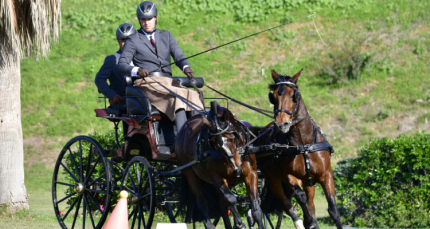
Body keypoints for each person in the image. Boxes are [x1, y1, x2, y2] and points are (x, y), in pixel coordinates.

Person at [117, 1, 203, 131]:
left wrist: (186, 68)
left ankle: (199, 138)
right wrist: (137, 70)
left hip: (168, 81)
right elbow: (122, 64)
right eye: (143, 19)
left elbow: (179, 56)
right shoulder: (133, 39)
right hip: (147, 82)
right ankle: (182, 139)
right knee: (178, 95)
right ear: (139, 20)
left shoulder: (166, 35)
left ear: (155, 18)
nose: (147, 22)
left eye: (149, 19)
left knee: (193, 95)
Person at [95, 23, 137, 135]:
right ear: (118, 40)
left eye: (129, 40)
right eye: (122, 40)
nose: (125, 43)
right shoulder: (111, 60)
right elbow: (99, 79)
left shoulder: (143, 57)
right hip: (122, 101)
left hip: (142, 99)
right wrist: (111, 95)